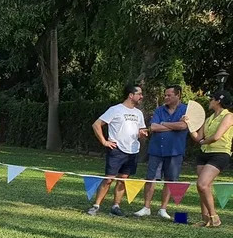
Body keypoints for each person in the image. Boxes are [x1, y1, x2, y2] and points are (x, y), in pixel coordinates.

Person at [86, 85, 149, 217]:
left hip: (132, 151)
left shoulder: (139, 113)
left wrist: (142, 134)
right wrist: (104, 142)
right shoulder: (115, 110)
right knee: (108, 179)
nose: (141, 96)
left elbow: (140, 131)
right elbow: (96, 124)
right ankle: (96, 206)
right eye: (139, 94)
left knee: (123, 180)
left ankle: (116, 206)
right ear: (131, 95)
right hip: (117, 150)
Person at [134, 85, 188, 219]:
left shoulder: (186, 110)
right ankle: (146, 207)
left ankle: (163, 209)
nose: (166, 98)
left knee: (170, 180)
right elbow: (153, 127)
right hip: (156, 150)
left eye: (169, 95)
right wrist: (173, 126)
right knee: (151, 178)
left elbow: (183, 126)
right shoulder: (159, 110)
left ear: (178, 95)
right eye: (165, 95)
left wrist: (163, 124)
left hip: (175, 152)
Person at [189, 90, 233, 227]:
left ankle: (214, 217)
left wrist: (203, 142)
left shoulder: (229, 116)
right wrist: (189, 125)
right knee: (203, 187)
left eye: (211, 99)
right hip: (204, 154)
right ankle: (205, 219)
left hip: (220, 154)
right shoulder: (208, 119)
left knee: (202, 184)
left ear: (218, 101)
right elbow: (197, 138)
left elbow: (216, 137)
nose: (209, 101)